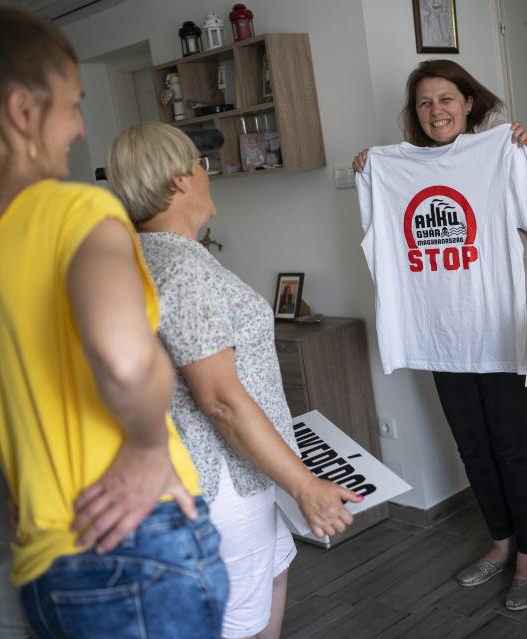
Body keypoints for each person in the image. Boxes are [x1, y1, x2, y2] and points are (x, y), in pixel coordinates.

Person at [0, 2, 229, 636]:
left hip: (46, 561)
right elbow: (123, 357)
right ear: (22, 112)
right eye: (73, 105)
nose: (77, 129)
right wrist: (148, 446)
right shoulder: (73, 211)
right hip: (139, 536)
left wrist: (28, 450)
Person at [107, 122, 361, 639]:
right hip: (220, 479)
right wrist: (306, 486)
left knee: (272, 574)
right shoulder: (183, 269)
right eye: (200, 165)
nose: (208, 174)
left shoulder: (138, 257)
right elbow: (220, 400)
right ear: (179, 181)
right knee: (237, 621)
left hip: (206, 474)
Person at [353, 59, 527, 611]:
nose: (435, 110)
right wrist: (369, 174)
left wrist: (524, 162)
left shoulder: (499, 150)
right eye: (424, 103)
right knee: (472, 447)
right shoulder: (392, 168)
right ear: (415, 114)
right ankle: (500, 544)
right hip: (443, 331)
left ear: (468, 103)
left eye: (445, 99)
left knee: (513, 449)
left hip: (503, 324)